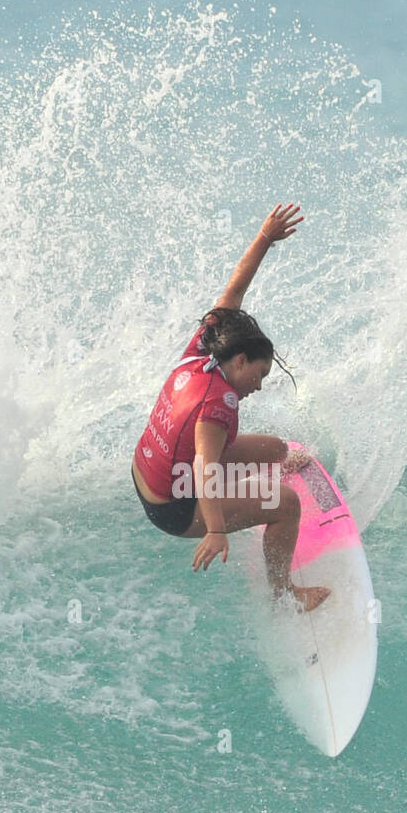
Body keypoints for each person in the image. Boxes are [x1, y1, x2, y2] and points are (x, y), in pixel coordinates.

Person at [131, 204, 330, 612]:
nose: (259, 386)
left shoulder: (204, 348)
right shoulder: (217, 406)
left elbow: (232, 294)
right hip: (172, 506)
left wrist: (264, 238)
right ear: (240, 361)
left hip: (151, 467)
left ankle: (272, 471)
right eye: (259, 375)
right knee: (286, 505)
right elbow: (205, 465)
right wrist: (217, 531)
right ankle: (285, 596)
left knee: (275, 449)